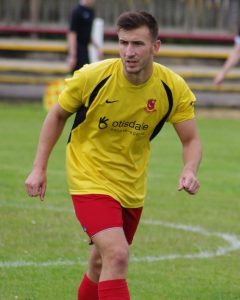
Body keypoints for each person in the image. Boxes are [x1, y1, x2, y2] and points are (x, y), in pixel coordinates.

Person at [25, 11, 202, 300]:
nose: (128, 52)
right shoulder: (93, 77)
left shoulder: (172, 87)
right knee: (118, 255)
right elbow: (57, 115)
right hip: (88, 177)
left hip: (131, 185)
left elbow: (191, 139)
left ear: (155, 47)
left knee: (100, 262)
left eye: (137, 44)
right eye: (123, 43)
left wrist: (190, 169)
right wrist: (38, 168)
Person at [67, 0, 101, 73]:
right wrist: (72, 55)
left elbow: (87, 34)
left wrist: (97, 48)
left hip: (85, 49)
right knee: (76, 75)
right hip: (77, 49)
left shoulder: (91, 12)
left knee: (87, 73)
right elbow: (72, 33)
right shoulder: (77, 11)